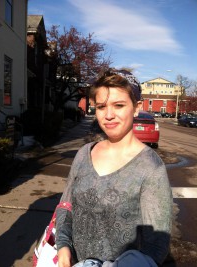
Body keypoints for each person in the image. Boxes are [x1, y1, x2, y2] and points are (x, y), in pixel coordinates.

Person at [56, 69, 173, 267]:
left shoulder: (151, 168)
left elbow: (156, 246)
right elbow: (65, 206)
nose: (108, 115)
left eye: (118, 105)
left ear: (136, 107)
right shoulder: (84, 153)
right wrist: (63, 246)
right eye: (101, 106)